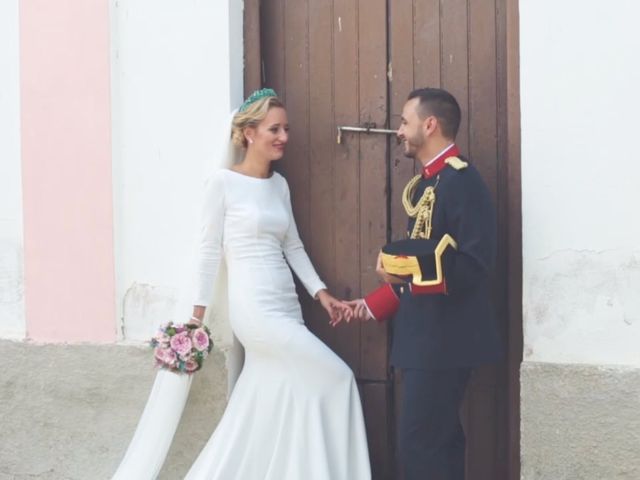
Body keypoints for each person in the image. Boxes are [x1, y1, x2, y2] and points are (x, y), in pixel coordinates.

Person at [113, 89, 371, 480]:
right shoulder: (222, 183)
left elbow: (293, 245)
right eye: (274, 128)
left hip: (285, 302)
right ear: (248, 133)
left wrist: (321, 295)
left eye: (286, 128)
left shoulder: (278, 186)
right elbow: (207, 252)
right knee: (338, 378)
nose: (284, 136)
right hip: (254, 307)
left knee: (271, 396)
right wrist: (196, 319)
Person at [346, 88, 502, 480]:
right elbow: (425, 262)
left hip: (443, 342)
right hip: (429, 341)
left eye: (404, 121)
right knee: (437, 446)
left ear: (429, 124)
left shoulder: (460, 181)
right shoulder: (431, 182)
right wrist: (373, 303)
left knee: (421, 450)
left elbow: (473, 264)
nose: (398, 130)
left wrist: (404, 274)